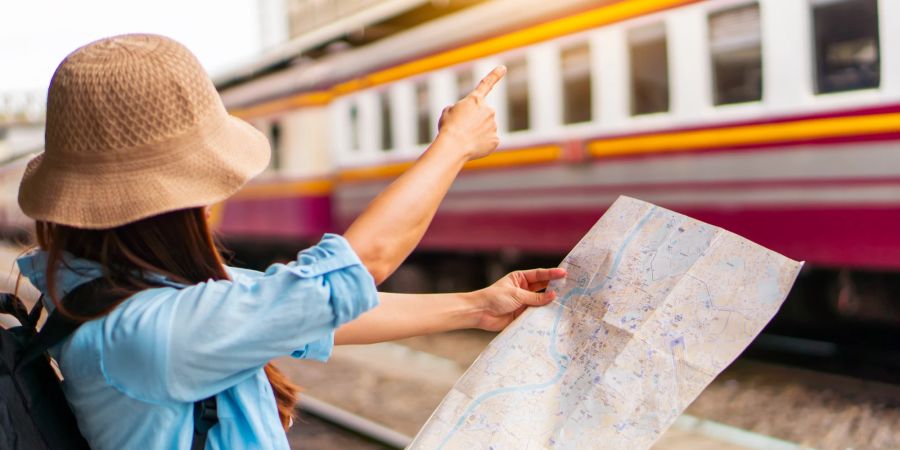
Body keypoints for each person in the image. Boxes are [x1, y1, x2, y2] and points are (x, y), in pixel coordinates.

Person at [14, 34, 566, 449]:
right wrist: (453, 146)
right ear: (190, 202)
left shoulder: (119, 292)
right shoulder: (152, 330)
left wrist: (476, 306)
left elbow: (319, 313)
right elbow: (356, 269)